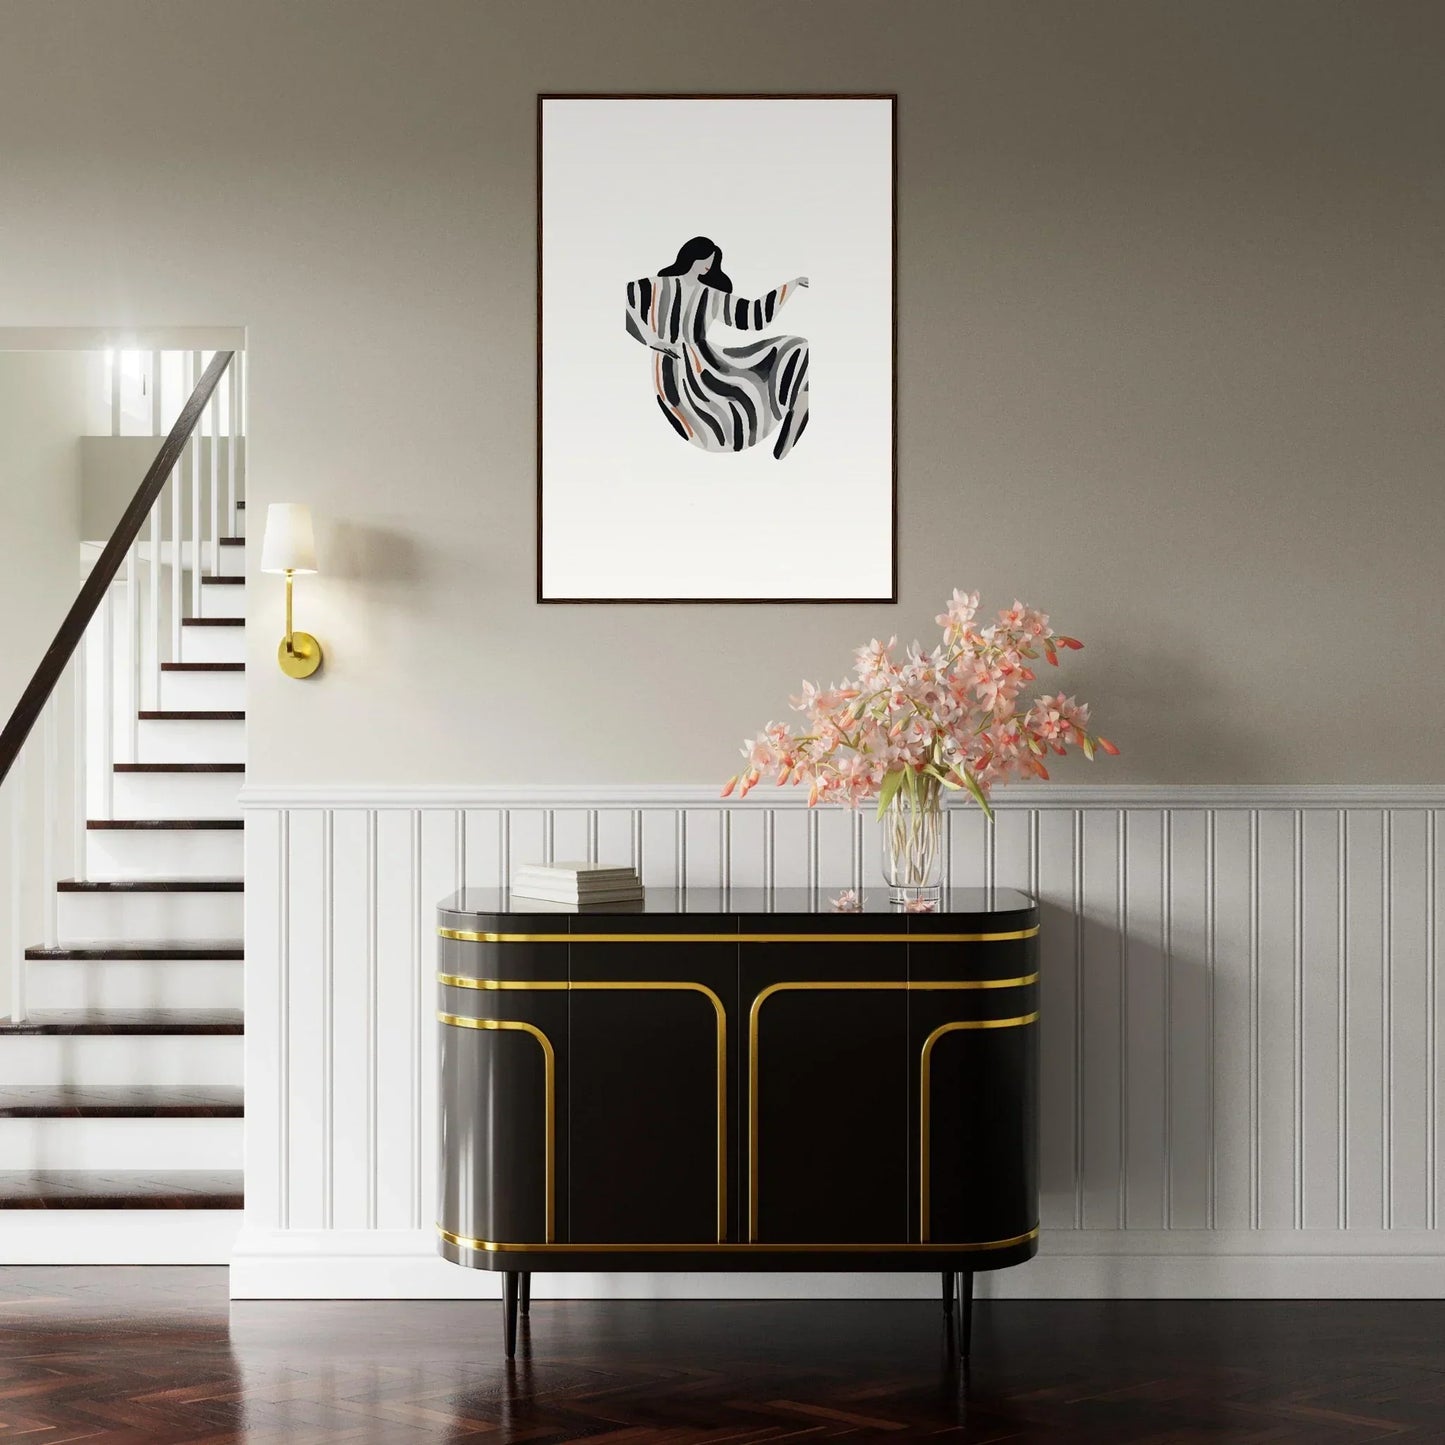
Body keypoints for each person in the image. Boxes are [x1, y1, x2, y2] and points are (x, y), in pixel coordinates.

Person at [625, 236, 810, 460]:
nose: (709, 265)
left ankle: (795, 415)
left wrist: (791, 286)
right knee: (715, 416)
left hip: (705, 363)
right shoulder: (654, 286)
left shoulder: (709, 294)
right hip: (681, 373)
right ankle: (791, 413)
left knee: (798, 350)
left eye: (712, 262)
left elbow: (754, 316)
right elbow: (628, 308)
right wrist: (653, 341)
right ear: (692, 256)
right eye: (707, 259)